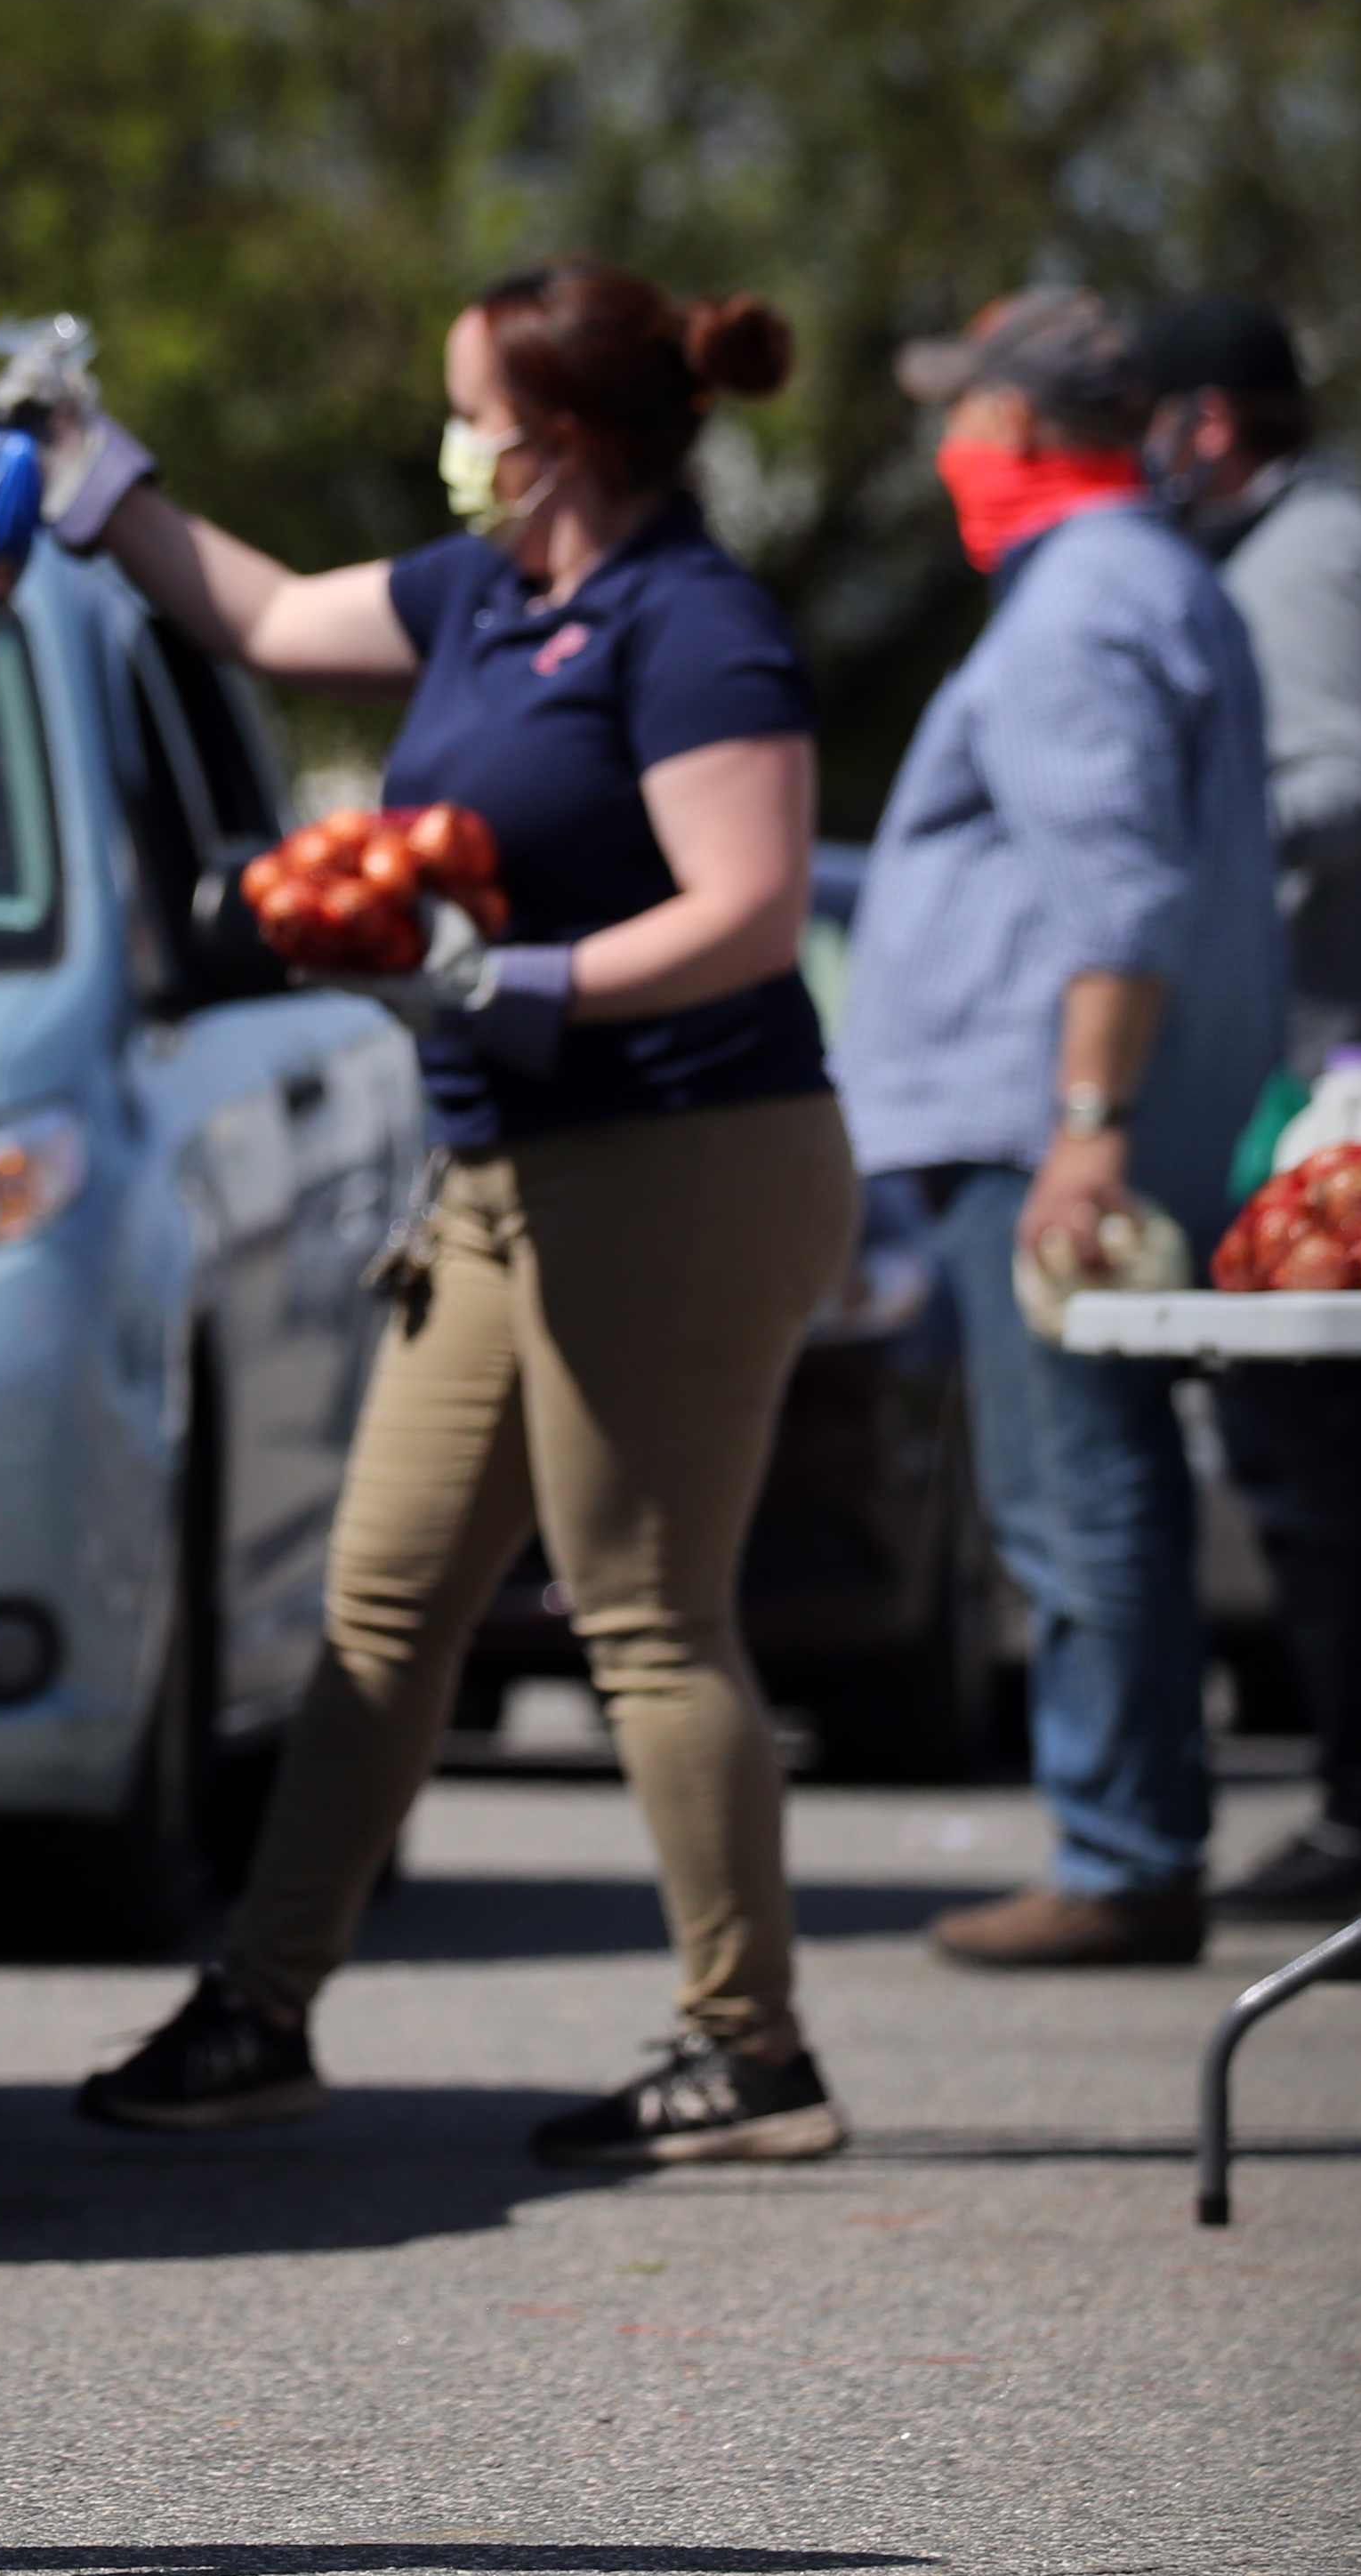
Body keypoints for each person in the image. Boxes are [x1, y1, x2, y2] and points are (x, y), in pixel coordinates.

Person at [51, 261, 863, 2165]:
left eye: (467, 403)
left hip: (683, 1158)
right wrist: (97, 480)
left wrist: (535, 986)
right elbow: (250, 613)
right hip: (499, 1176)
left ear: (552, 435)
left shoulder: (696, 624)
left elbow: (746, 907)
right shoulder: (488, 595)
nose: (452, 436)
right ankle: (264, 2009)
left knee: (649, 1612)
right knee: (386, 1603)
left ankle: (752, 2051)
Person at [842, 289, 1283, 1968]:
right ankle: (1132, 1834)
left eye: (961, 415)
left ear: (1015, 430)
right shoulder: (1141, 581)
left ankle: (1121, 1850)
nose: (947, 446)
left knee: (1074, 1480)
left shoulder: (1079, 606)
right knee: (1102, 1473)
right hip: (1077, 1110)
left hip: (1048, 1124)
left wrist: (1082, 1124)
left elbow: (1113, 890)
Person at [1139, 297, 1361, 1922]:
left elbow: (1354, 782)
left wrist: (1166, 825)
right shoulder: (1275, 555)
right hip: (1282, 1062)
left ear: (1210, 420)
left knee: (1306, 1448)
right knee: (1301, 1446)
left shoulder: (1306, 563)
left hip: (1301, 1078)